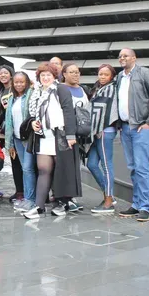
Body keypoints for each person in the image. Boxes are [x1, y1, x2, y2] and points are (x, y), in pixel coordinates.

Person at [23, 63, 78, 219]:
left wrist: (70, 135)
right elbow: (33, 114)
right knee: (43, 170)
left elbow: (68, 112)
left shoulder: (61, 89)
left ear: (54, 76)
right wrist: (33, 122)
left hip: (60, 135)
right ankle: (39, 206)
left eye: (48, 75)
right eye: (42, 75)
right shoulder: (37, 92)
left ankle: (62, 203)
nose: (45, 78)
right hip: (44, 135)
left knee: (61, 171)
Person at [117, 48, 149, 223]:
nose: (122, 58)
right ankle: (136, 204)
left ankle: (145, 207)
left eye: (126, 55)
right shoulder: (120, 77)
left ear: (134, 58)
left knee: (142, 167)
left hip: (142, 128)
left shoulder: (145, 73)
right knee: (133, 168)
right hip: (126, 128)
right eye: (120, 56)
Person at [88, 64, 119, 214]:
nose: (102, 77)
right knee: (92, 164)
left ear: (112, 76)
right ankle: (109, 195)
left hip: (105, 131)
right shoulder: (98, 88)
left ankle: (108, 202)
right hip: (97, 132)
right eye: (100, 74)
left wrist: (99, 127)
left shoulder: (111, 88)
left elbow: (105, 111)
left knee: (107, 165)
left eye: (106, 74)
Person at [60, 62, 89, 212]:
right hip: (64, 134)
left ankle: (72, 197)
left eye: (77, 72)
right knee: (65, 166)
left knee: (75, 165)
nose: (75, 75)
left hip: (79, 134)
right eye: (72, 72)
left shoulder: (83, 90)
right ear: (64, 74)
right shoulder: (60, 89)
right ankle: (65, 198)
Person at [5, 72, 35, 213]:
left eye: (22, 82)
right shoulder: (12, 99)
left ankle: (30, 200)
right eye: (16, 82)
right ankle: (27, 198)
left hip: (28, 138)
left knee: (28, 169)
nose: (19, 84)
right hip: (17, 138)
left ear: (27, 82)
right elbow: (9, 121)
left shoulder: (31, 95)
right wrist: (10, 143)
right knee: (25, 169)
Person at [0, 65, 22, 203]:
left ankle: (23, 191)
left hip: (15, 129)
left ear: (11, 74)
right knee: (13, 161)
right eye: (1, 74)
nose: (3, 76)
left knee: (20, 162)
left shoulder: (15, 89)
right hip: (3, 130)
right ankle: (19, 191)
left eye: (5, 73)